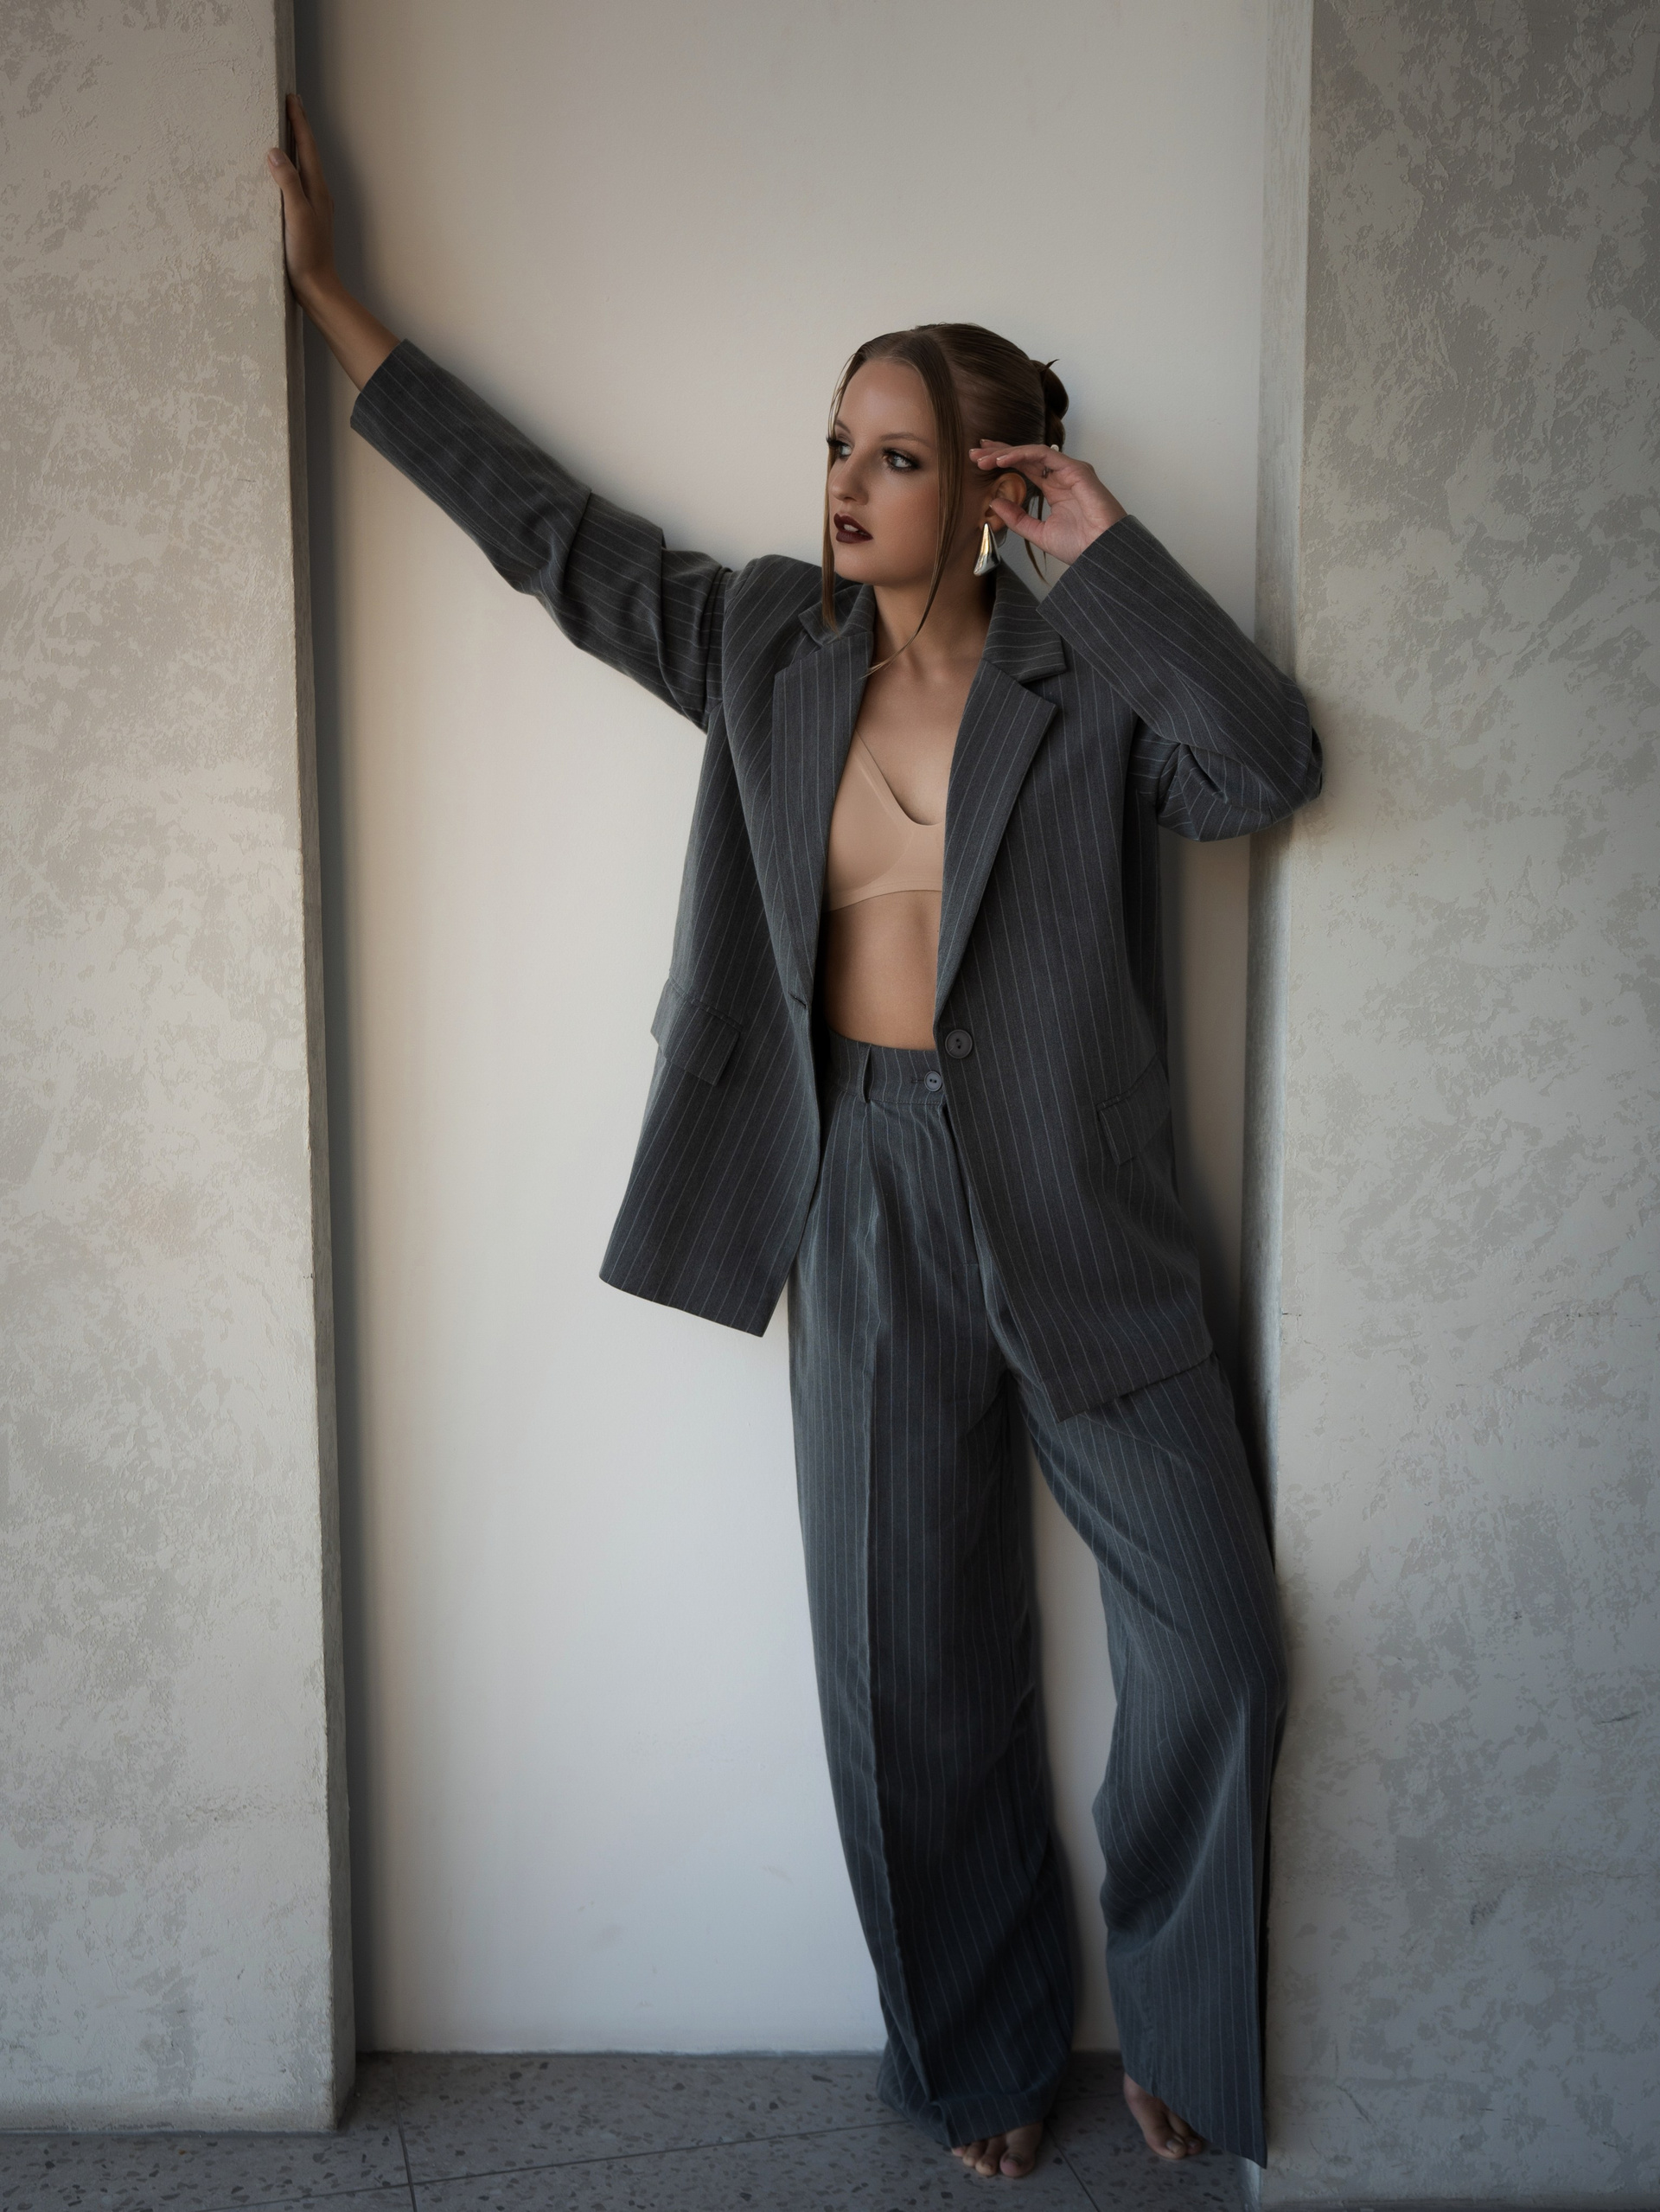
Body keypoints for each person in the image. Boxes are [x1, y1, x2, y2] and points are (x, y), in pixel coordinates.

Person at [270, 88, 1321, 2183]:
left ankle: (1186, 2015)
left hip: (1085, 1206)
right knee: (906, 1676)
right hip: (856, 1186)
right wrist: (331, 302)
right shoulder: (765, 641)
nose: (842, 481)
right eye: (837, 442)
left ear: (994, 483)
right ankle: (983, 2053)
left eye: (896, 454)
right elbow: (554, 539)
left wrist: (1102, 553)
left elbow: (1263, 765)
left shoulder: (1082, 683)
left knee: (1215, 1639)